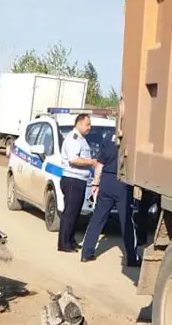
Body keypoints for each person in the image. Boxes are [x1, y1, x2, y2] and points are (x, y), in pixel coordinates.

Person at [80, 133, 141, 266]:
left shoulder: (108, 138)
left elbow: (100, 165)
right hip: (123, 183)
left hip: (106, 182)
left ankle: (86, 253)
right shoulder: (133, 138)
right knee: (126, 222)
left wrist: (95, 184)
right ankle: (132, 258)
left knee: (97, 219)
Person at [58, 113, 99, 253]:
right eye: (88, 124)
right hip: (72, 180)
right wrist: (92, 162)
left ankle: (70, 240)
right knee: (69, 213)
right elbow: (73, 160)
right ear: (80, 124)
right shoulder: (73, 138)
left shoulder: (82, 139)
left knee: (75, 214)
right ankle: (63, 243)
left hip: (79, 180)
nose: (89, 127)